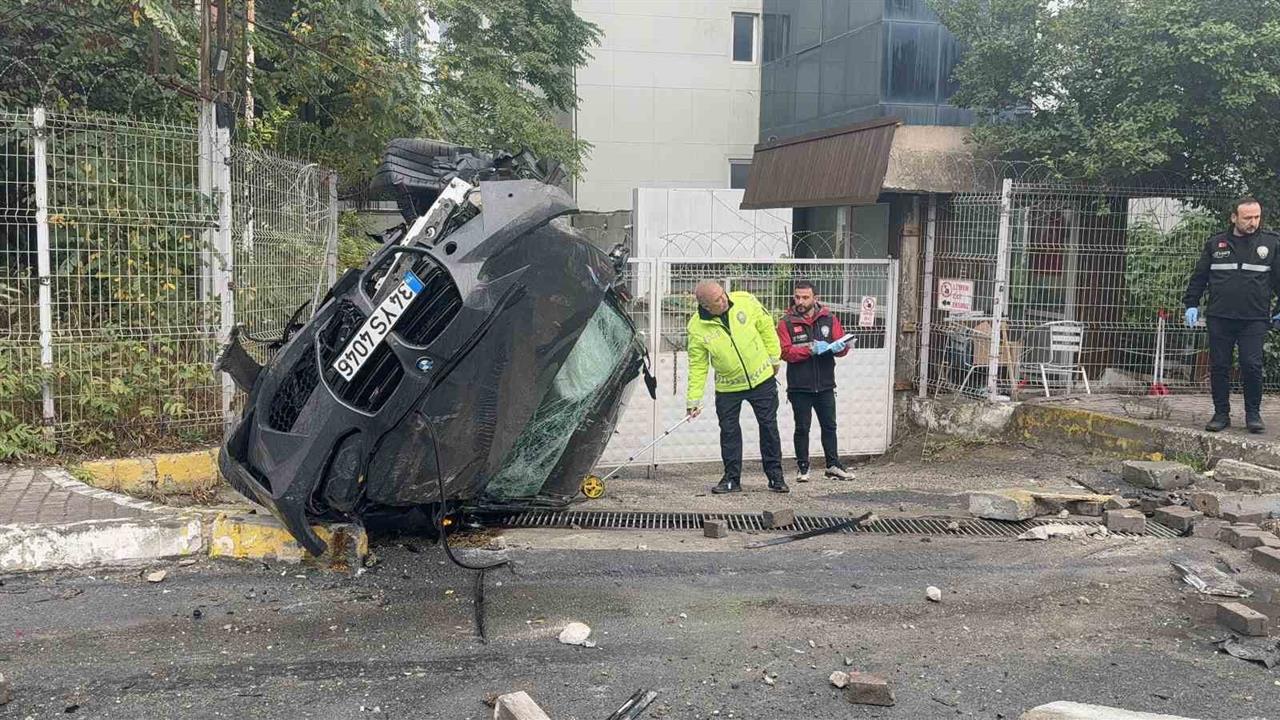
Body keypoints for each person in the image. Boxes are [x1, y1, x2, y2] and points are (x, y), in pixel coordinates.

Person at [1182, 197, 1280, 433]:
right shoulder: (1216, 244)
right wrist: (1191, 304)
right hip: (1220, 316)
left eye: (1256, 217)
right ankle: (1221, 414)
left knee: (1252, 365)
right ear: (1234, 217)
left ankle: (1253, 415)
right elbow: (1200, 277)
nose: (1253, 222)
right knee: (1219, 366)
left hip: (1254, 318)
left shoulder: (1271, 244)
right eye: (1247, 218)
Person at [685, 280, 787, 493]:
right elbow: (698, 365)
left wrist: (774, 358)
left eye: (723, 295)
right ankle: (732, 479)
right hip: (728, 388)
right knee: (729, 432)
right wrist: (693, 399)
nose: (724, 301)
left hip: (761, 380)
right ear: (705, 306)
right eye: (717, 300)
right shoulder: (696, 327)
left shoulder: (745, 300)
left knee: (769, 427)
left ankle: (776, 477)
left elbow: (766, 327)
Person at [777, 281, 855, 482]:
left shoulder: (829, 319)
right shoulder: (786, 322)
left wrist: (841, 348)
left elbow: (842, 346)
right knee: (802, 427)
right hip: (799, 386)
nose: (800, 301)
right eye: (797, 297)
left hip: (826, 384)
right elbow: (784, 352)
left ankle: (833, 465)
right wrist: (809, 349)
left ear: (815, 298)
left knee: (829, 425)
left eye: (805, 297)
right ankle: (803, 467)